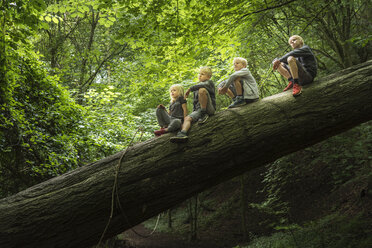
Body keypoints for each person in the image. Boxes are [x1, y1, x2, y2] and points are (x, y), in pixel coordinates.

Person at [170, 66, 216, 142]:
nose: (200, 75)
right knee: (187, 118)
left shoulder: (209, 83)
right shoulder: (196, 88)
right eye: (199, 73)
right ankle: (183, 134)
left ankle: (204, 112)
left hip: (209, 109)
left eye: (203, 74)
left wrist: (190, 89)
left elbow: (203, 86)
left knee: (202, 90)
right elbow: (195, 102)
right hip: (198, 110)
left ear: (209, 76)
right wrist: (193, 115)